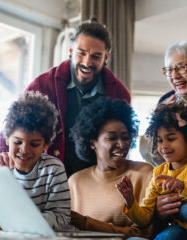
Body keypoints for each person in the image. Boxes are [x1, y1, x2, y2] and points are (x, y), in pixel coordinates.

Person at [0, 18, 131, 178]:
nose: (87, 62)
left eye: (96, 56)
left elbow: (121, 143)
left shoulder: (120, 95)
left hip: (95, 180)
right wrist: (1, 155)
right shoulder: (43, 84)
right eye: (81, 53)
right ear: (71, 51)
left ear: (106, 57)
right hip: (45, 177)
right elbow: (15, 122)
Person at [0, 91, 71, 231]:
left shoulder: (53, 169)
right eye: (18, 142)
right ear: (7, 139)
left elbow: (61, 217)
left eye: (34, 144)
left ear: (46, 145)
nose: (24, 150)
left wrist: (20, 227)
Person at [68, 97, 156, 239]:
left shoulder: (143, 174)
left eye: (126, 137)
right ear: (92, 143)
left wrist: (88, 224)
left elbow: (144, 234)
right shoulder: (75, 182)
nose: (121, 144)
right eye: (111, 138)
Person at [116, 103, 187, 240]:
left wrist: (182, 185)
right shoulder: (159, 173)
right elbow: (144, 219)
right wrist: (130, 200)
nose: (164, 146)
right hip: (179, 229)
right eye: (159, 140)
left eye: (171, 139)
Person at [154, 41, 187, 226]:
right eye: (168, 70)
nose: (174, 76)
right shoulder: (166, 104)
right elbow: (157, 156)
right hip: (176, 191)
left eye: (181, 67)